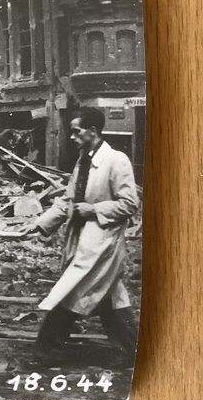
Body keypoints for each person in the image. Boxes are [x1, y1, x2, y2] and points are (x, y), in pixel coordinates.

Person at [20, 107, 140, 360]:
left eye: (76, 132)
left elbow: (130, 204)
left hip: (103, 241)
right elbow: (68, 200)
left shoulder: (116, 160)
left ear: (93, 131)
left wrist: (94, 209)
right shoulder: (83, 160)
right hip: (83, 238)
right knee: (108, 295)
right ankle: (131, 351)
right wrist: (39, 224)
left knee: (73, 289)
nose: (72, 137)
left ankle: (46, 348)